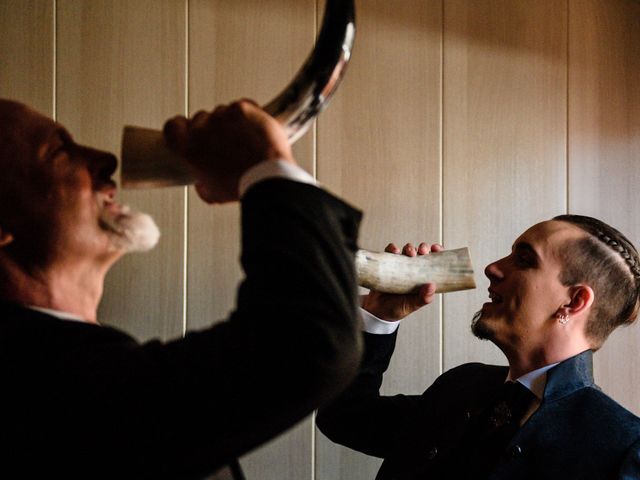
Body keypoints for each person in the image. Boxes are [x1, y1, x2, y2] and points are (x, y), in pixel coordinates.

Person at [0, 98, 364, 479]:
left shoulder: (68, 363)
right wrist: (265, 164)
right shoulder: (30, 384)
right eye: (59, 151)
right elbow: (308, 343)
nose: (106, 159)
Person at [317, 218, 640, 479]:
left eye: (524, 260)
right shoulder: (460, 386)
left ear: (574, 301)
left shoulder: (623, 446)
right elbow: (345, 419)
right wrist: (378, 317)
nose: (493, 268)